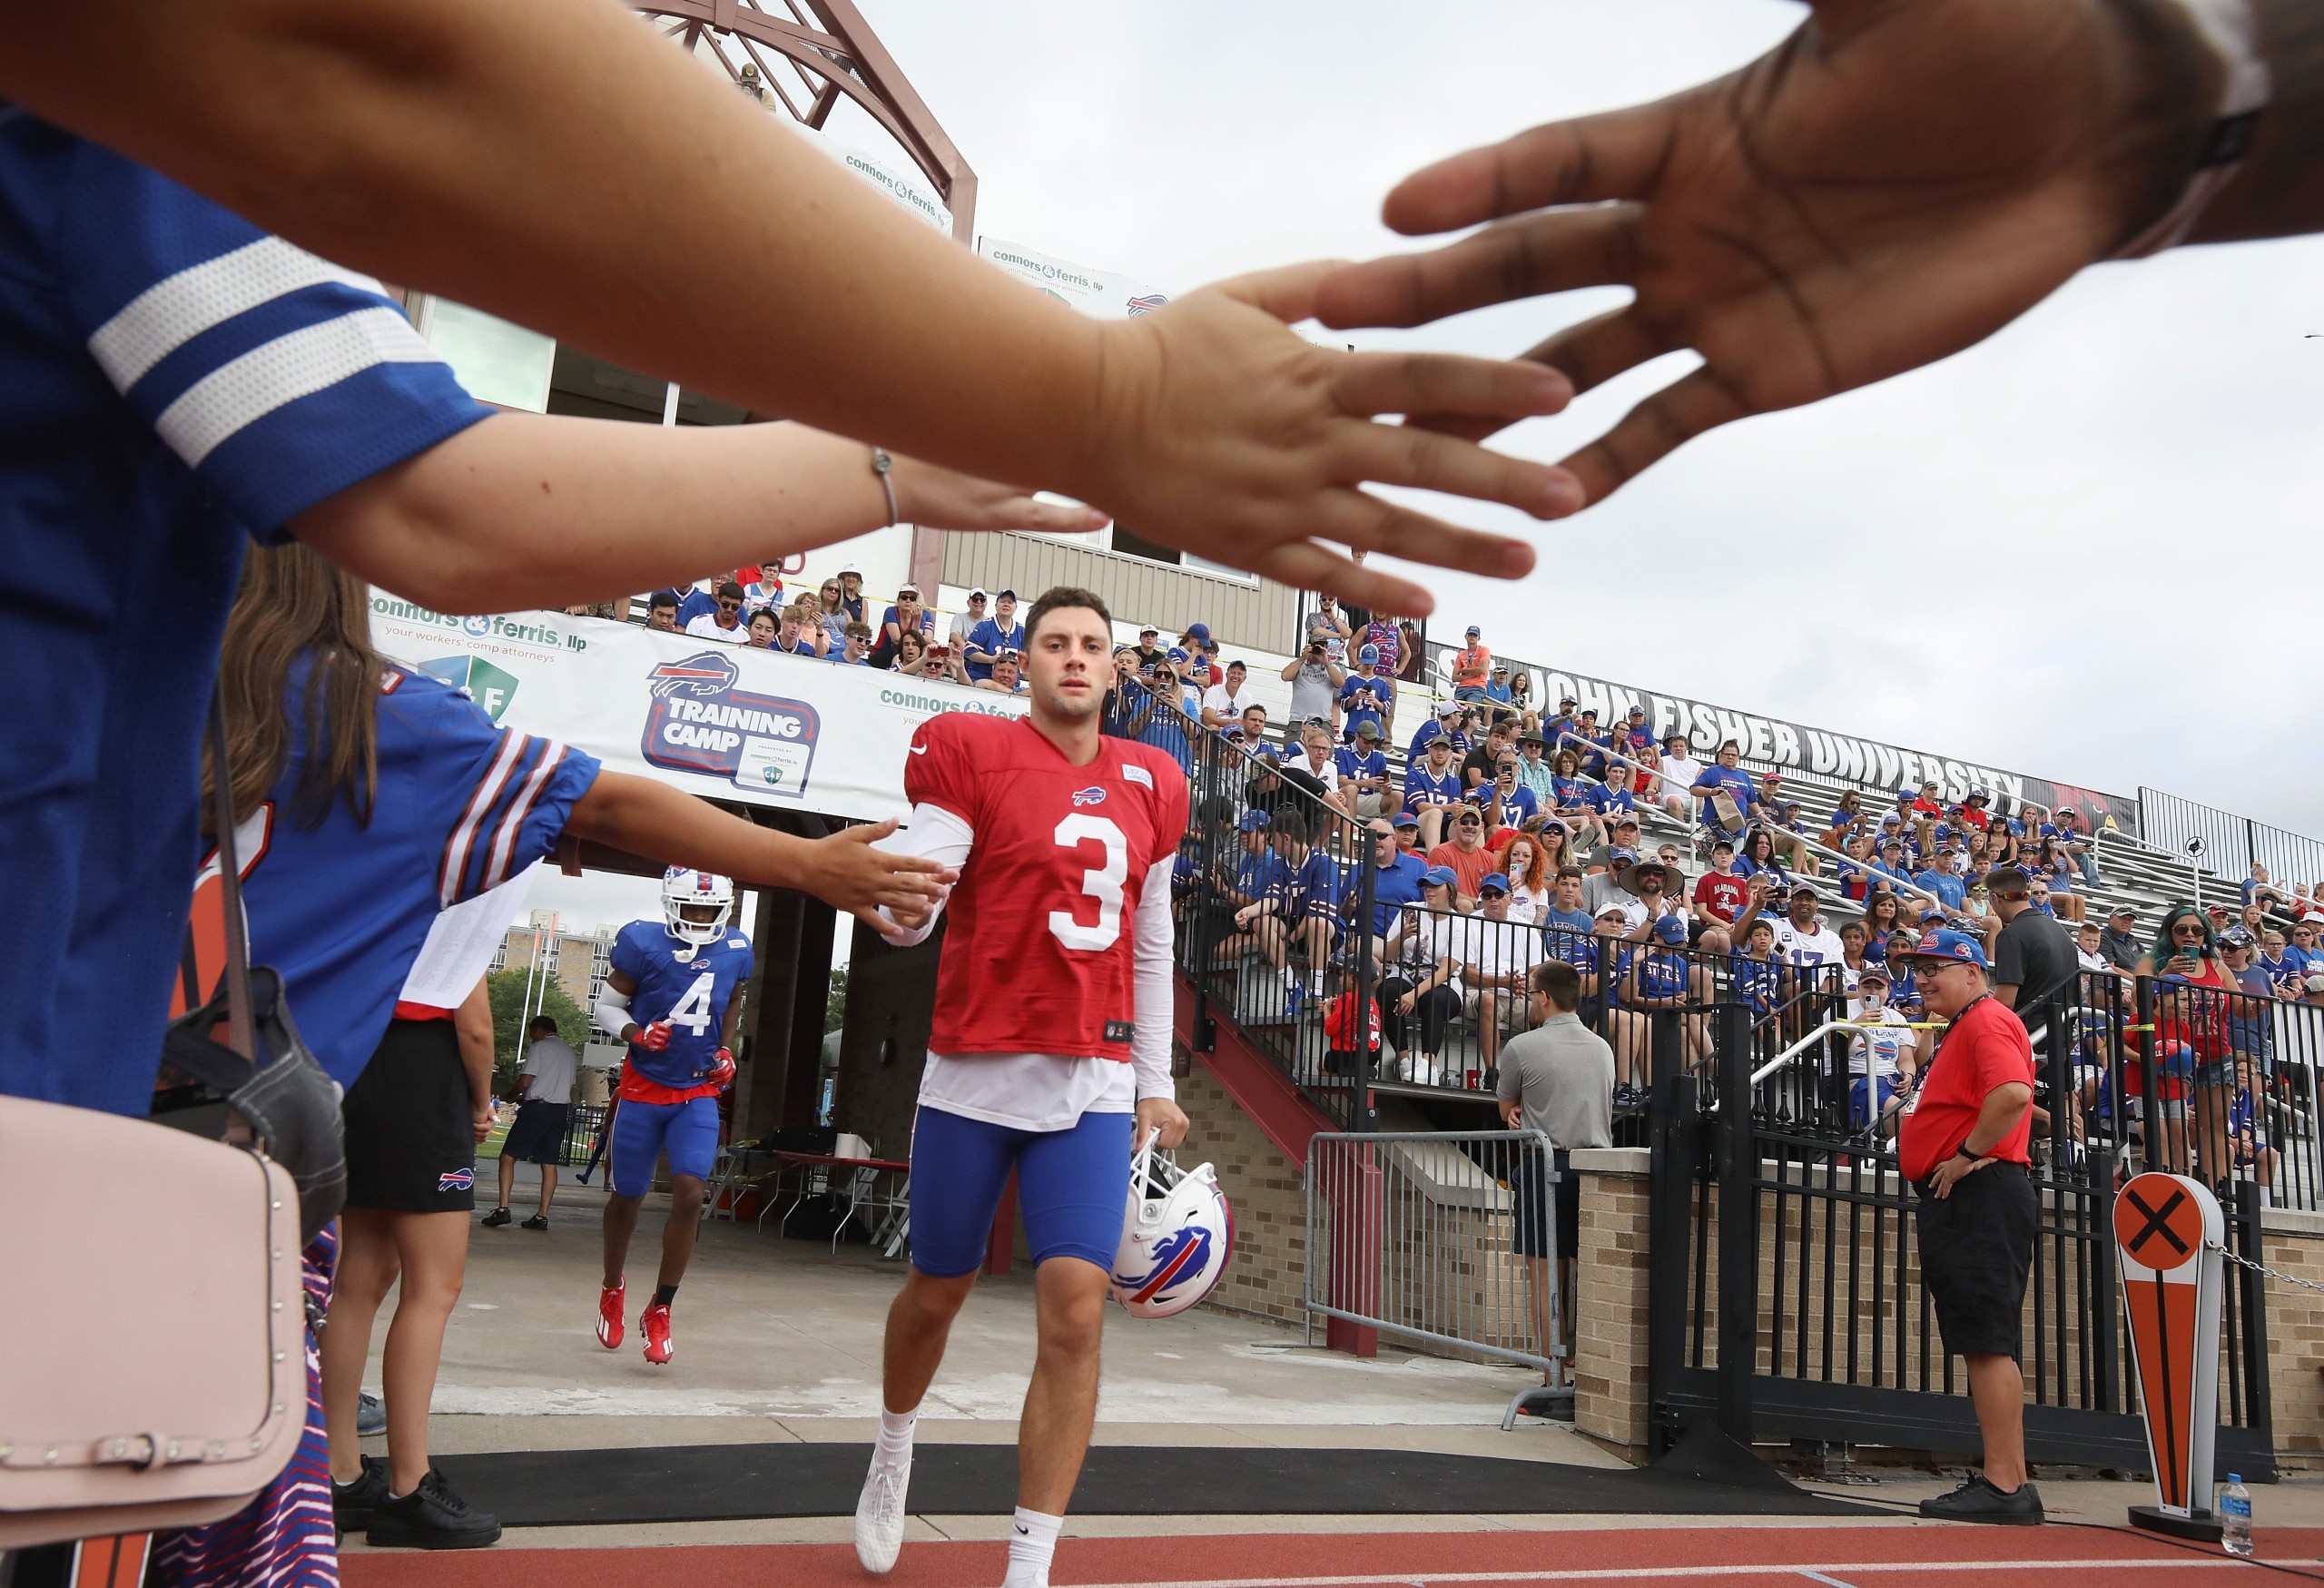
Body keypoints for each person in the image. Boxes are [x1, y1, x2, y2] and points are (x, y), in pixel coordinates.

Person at [196, 546, 949, 1566]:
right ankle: (401, 1477)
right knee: (410, 1287)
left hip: (125, 1095)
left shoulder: (158, 687)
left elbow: (599, 847)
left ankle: (345, 1465)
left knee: (348, 1284)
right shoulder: (394, 729)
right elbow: (594, 814)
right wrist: (807, 865)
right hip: (316, 1090)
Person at [856, 587, 1190, 1588]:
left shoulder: (1153, 781)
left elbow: (1151, 937)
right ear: (1026, 661)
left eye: (1092, 644)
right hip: (973, 1071)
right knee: (936, 1291)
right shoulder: (973, 754)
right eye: (1056, 643)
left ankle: (1030, 1560)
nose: (1075, 658)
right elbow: (924, 893)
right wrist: (900, 907)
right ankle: (892, 1445)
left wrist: (1154, 1081)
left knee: (1076, 1309)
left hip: (1088, 1081)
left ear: (1112, 668)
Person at [1893, 929, 2041, 1524]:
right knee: (1982, 1338)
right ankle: (2008, 1480)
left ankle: (2006, 1485)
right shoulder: (1969, 1024)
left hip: (1975, 1190)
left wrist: (1965, 1151)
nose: (1925, 977)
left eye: (1938, 967)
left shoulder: (1984, 1020)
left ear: (1974, 972)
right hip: (1968, 1192)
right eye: (1919, 968)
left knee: (1986, 1340)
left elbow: (2011, 1092)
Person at [589, 871, 753, 1367]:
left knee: (688, 1190)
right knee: (628, 1195)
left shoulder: (737, 947)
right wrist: (636, 1033)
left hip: (697, 1088)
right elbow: (606, 1007)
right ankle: (612, 1287)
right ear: (670, 905)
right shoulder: (642, 942)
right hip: (643, 1089)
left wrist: (727, 1049)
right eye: (692, 908)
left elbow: (731, 1004)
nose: (701, 918)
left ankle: (660, 1307)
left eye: (709, 910)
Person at [1495, 959, 1613, 1388]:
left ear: (1544, 998)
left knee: (1547, 1275)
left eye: (1531, 994)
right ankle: (1596, 1371)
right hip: (1598, 1170)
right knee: (1596, 1272)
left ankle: (1554, 1374)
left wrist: (1519, 1115)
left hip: (1545, 1164)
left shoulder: (1522, 1047)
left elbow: (1507, 1107)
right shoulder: (1603, 1047)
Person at [483, 1014, 578, 1231]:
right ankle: (542, 1215)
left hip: (537, 1108)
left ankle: (503, 1208)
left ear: (538, 1031)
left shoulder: (540, 1047)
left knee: (508, 1156)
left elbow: (526, 1081)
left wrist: (511, 1094)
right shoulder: (568, 1052)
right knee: (549, 1162)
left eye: (531, 1035)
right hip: (560, 1110)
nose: (531, 1039)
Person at [1383, 871, 1463, 1084]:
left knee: (1432, 999)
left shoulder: (1460, 923)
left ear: (1450, 890)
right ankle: (1405, 1062)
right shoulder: (1411, 910)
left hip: (1444, 983)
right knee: (1387, 991)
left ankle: (1429, 1066)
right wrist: (1402, 937)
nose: (1429, 890)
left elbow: (1446, 971)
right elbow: (1388, 955)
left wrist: (1413, 994)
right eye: (1426, 885)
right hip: (1406, 974)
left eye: (1435, 886)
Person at [1985, 866, 2081, 1020]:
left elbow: (2005, 1001)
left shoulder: (2011, 934)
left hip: (2029, 1033)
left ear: (1995, 899)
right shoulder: (2059, 929)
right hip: (2062, 1030)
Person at [1846, 968, 1919, 1137]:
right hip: (1856, 1077)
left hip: (1891, 1079)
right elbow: (1836, 1047)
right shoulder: (1843, 1008)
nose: (1873, 992)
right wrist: (1857, 1024)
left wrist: (1909, 1076)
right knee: (1901, 1114)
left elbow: (1906, 1059)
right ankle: (1898, 1160)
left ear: (1889, 991)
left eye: (1879, 988)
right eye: (1867, 987)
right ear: (1858, 988)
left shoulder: (1897, 1018)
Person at [1282, 633, 1348, 731]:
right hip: (1299, 720)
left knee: (1324, 746)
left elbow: (1340, 683)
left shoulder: (1332, 668)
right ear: (1309, 646)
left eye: (1322, 646)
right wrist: (1303, 658)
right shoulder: (1300, 664)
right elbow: (1285, 676)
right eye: (1316, 646)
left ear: (1326, 648)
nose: (1319, 649)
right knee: (1293, 745)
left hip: (1323, 721)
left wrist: (1326, 662)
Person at [963, 587, 1025, 683]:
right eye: (1003, 601)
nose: (1006, 604)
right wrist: (991, 659)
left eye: (1010, 602)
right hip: (983, 681)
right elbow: (969, 651)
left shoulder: (1021, 632)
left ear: (1016, 607)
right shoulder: (985, 627)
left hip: (1010, 685)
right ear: (996, 605)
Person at [683, 579, 752, 642]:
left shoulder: (745, 636)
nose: (729, 609)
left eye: (735, 607)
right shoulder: (698, 624)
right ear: (718, 601)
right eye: (725, 604)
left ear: (741, 606)